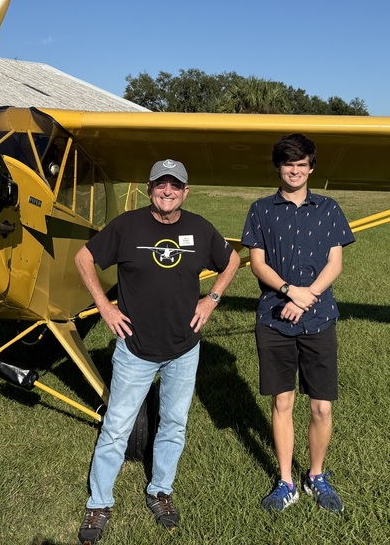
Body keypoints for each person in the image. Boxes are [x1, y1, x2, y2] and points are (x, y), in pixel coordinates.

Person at [75, 159, 241, 544]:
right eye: (160, 185)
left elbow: (232, 260)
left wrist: (211, 299)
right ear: (150, 188)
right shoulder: (127, 226)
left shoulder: (200, 228)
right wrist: (104, 305)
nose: (168, 192)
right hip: (135, 348)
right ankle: (99, 502)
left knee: (173, 424)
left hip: (184, 348)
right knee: (116, 428)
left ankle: (160, 491)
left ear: (186, 191)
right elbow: (85, 258)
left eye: (176, 186)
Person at [241, 133, 355, 515]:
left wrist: (307, 297)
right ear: (279, 167)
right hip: (274, 318)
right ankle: (286, 481)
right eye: (289, 163)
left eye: (302, 164)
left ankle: (317, 476)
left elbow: (335, 263)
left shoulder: (329, 208)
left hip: (319, 318)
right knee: (282, 401)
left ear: (311, 167)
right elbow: (257, 264)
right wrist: (290, 291)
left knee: (321, 407)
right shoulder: (260, 209)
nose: (295, 170)